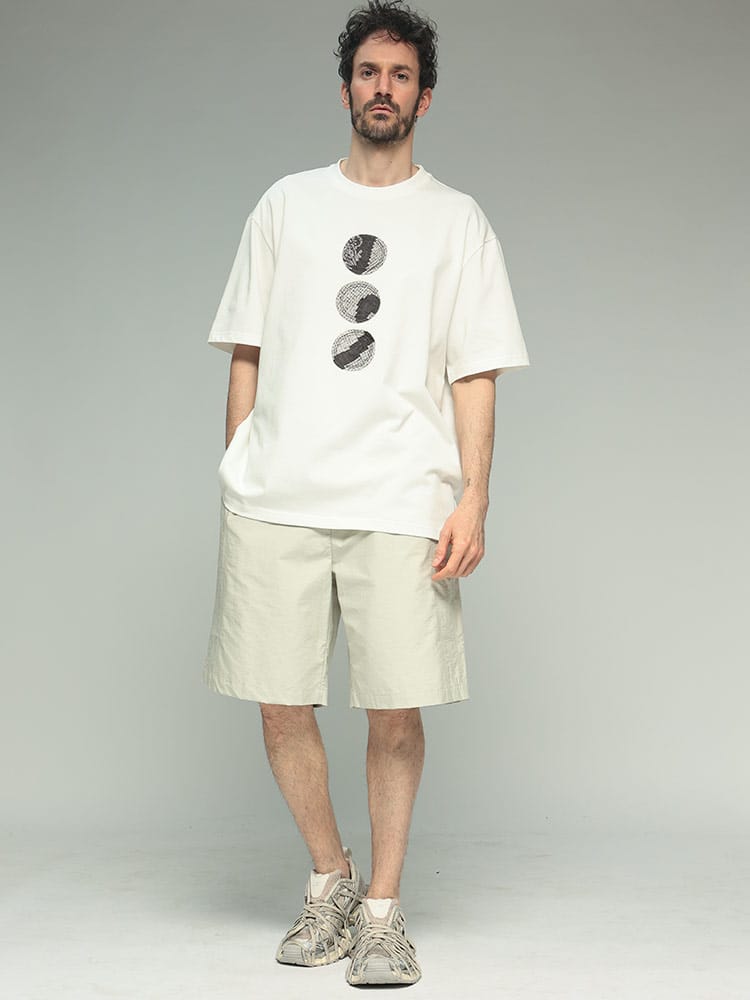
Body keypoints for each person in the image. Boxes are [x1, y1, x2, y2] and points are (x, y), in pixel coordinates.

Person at [202, 0, 530, 987]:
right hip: (280, 496)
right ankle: (330, 880)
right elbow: (247, 345)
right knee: (280, 705)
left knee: (394, 711)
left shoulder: (457, 220)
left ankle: (383, 913)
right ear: (345, 87)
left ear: (424, 98)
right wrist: (238, 463)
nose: (382, 88)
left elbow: (476, 370)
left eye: (400, 75)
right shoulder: (285, 205)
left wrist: (474, 496)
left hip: (402, 498)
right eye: (368, 72)